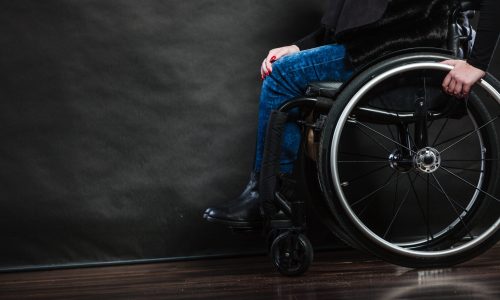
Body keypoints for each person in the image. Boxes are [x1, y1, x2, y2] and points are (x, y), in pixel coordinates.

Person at [204, 0, 500, 228]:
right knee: (287, 69)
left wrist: (476, 64)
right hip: (376, 49)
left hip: (400, 51)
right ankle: (270, 195)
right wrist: (298, 47)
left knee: (282, 76)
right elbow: (359, 21)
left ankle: (266, 197)